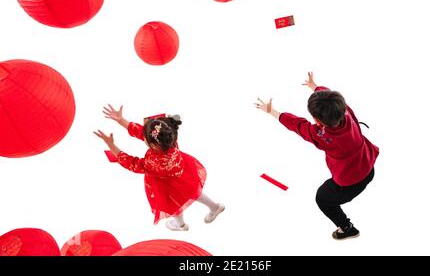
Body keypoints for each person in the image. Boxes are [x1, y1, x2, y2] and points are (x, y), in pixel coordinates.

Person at [255, 72, 379, 240]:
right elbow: (331, 97)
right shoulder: (346, 111)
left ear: (318, 122)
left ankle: (347, 229)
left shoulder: (323, 137)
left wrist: (272, 112)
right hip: (368, 166)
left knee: (322, 199)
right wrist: (315, 87)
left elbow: (298, 126)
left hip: (351, 182)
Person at [94, 105, 225, 231]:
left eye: (146, 138)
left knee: (173, 204)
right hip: (184, 175)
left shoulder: (154, 162)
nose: (143, 136)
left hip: (167, 186)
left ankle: (180, 225)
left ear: (154, 145)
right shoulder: (170, 139)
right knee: (194, 191)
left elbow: (132, 163)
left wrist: (111, 145)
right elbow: (143, 132)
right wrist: (121, 120)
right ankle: (215, 207)